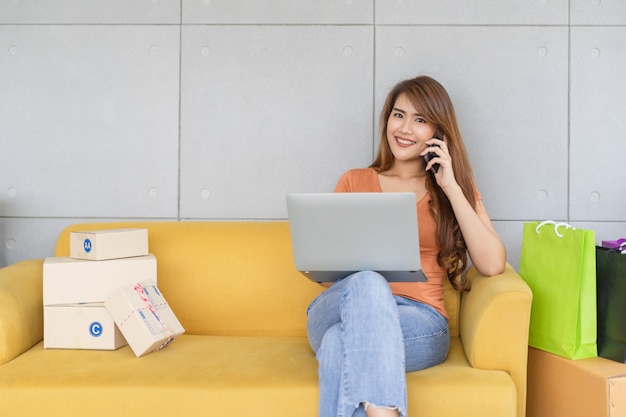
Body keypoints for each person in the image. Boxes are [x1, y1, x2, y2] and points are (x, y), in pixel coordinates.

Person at [306, 75, 507, 417]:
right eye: (398, 115)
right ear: (387, 120)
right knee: (369, 282)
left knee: (339, 344)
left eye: (420, 120)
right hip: (343, 307)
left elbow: (492, 264)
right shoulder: (354, 180)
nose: (405, 128)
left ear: (438, 132)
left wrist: (451, 186)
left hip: (420, 318)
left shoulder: (453, 187)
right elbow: (329, 281)